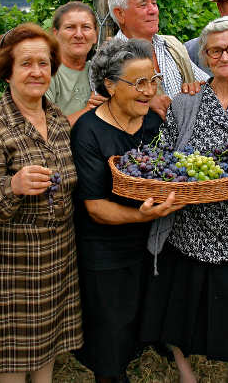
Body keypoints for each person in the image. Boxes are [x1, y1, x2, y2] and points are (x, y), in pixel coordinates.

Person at [141, 15, 228, 383]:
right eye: (215, 50)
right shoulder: (185, 103)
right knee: (180, 310)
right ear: (204, 57)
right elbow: (169, 160)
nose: (224, 56)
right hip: (186, 226)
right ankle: (187, 373)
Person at [0, 23, 83, 382]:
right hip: (11, 268)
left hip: (58, 257)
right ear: (8, 71)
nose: (37, 72)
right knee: (13, 362)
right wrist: (12, 186)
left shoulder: (58, 119)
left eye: (44, 63)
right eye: (26, 64)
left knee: (47, 350)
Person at [70, 38, 184, 383]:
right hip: (105, 248)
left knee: (136, 315)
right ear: (110, 86)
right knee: (110, 324)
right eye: (139, 83)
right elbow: (95, 207)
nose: (149, 91)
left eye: (153, 80)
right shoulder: (89, 132)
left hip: (149, 243)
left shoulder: (153, 126)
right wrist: (143, 216)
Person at [108, 0, 210, 119]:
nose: (153, 10)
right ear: (120, 14)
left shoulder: (171, 45)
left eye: (154, 3)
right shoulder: (108, 58)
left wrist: (197, 88)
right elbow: (105, 109)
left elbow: (208, 83)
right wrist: (144, 101)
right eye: (143, 5)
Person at [46, 1, 108, 125]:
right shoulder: (47, 73)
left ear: (95, 35)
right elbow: (43, 130)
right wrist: (88, 110)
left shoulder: (98, 70)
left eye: (86, 27)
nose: (79, 35)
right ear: (56, 34)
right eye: (70, 27)